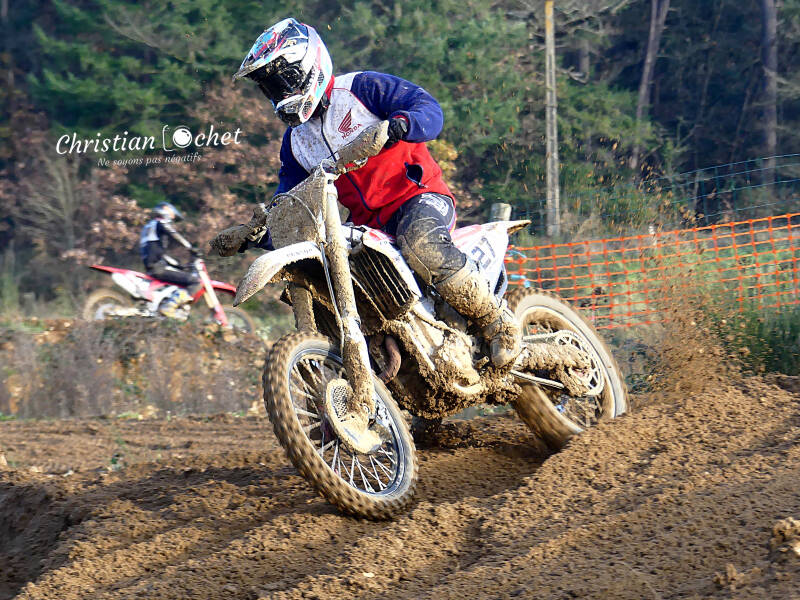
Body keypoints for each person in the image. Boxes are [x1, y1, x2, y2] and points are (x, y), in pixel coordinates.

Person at [230, 18, 521, 367]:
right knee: (337, 284)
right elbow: (289, 203)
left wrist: (402, 124)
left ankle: (497, 321)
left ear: (308, 65)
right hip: (368, 226)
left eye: (283, 81)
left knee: (421, 243)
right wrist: (260, 232)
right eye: (270, 88)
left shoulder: (361, 88)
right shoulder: (296, 143)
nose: (279, 93)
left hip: (419, 196)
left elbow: (428, 108)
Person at [139, 202, 201, 317]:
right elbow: (173, 234)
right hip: (157, 267)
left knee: (180, 274)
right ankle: (169, 307)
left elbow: (159, 254)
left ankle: (166, 303)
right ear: (165, 210)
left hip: (153, 265)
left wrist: (179, 266)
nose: (172, 219)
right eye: (172, 215)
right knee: (195, 282)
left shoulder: (148, 227)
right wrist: (190, 247)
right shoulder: (159, 223)